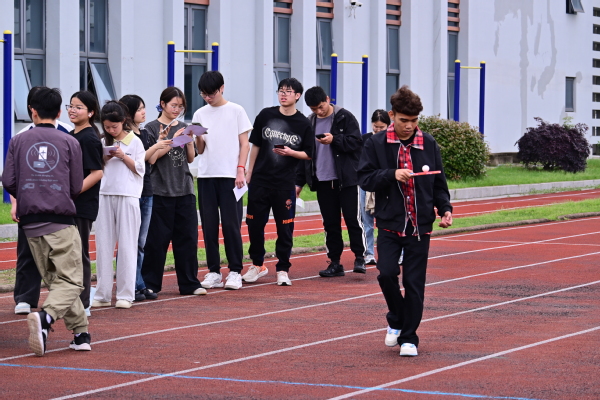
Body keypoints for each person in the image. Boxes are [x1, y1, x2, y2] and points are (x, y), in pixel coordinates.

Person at [358, 86, 453, 357]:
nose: (409, 126)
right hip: (389, 224)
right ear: (392, 116)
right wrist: (391, 174)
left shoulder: (428, 143)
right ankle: (396, 318)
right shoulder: (375, 144)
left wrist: (445, 208)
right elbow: (364, 178)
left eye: (414, 120)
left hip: (420, 227)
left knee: (414, 283)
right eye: (404, 120)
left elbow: (438, 182)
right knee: (387, 274)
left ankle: (409, 337)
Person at [2, 87, 91, 356]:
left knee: (56, 279)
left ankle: (81, 333)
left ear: (33, 111)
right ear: (60, 112)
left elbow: (8, 181)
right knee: (72, 280)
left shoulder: (18, 141)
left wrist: (27, 194)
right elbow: (76, 185)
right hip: (60, 220)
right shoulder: (70, 141)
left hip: (30, 223)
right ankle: (46, 317)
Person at [242, 78, 314, 286]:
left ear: (297, 96)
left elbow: (309, 154)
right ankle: (257, 264)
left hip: (284, 183)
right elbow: (255, 145)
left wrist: (292, 152)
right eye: (281, 91)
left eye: (288, 91)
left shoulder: (303, 123)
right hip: (260, 180)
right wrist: (249, 171)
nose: (283, 94)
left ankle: (283, 268)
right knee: (254, 224)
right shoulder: (266, 115)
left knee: (285, 228)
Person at [12, 86, 73, 315]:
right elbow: (14, 174)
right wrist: (16, 202)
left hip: (60, 206)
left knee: (62, 255)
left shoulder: (68, 134)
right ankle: (25, 297)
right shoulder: (21, 137)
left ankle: (63, 299)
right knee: (27, 251)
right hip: (31, 204)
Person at [141, 87, 207, 296]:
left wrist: (189, 139)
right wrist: (173, 141)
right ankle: (151, 283)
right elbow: (152, 159)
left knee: (187, 240)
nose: (177, 110)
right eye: (173, 105)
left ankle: (190, 283)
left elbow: (190, 158)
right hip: (160, 190)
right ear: (162, 104)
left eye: (180, 106)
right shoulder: (151, 128)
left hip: (185, 190)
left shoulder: (184, 126)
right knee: (156, 241)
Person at [296, 86, 366, 278]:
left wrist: (335, 139)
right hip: (323, 181)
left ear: (328, 99)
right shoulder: (309, 122)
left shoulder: (344, 117)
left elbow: (356, 143)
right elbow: (306, 155)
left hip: (346, 180)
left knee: (353, 220)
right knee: (330, 224)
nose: (319, 111)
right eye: (314, 109)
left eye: (321, 106)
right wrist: (299, 183)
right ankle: (335, 262)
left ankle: (360, 258)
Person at [192, 71, 253, 290]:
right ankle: (214, 271)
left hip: (230, 176)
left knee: (231, 225)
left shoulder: (236, 111)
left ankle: (235, 270)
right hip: (206, 175)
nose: (208, 98)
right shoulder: (199, 113)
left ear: (222, 88)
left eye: (211, 93)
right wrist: (198, 136)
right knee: (209, 226)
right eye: (204, 94)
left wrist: (240, 170)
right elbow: (200, 149)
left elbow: (245, 144)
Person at [92, 101, 146, 309]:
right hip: (105, 194)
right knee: (103, 245)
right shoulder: (102, 141)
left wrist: (123, 156)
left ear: (123, 121)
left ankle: (125, 294)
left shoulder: (135, 142)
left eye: (114, 126)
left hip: (128, 195)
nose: (111, 130)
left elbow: (140, 169)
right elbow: (96, 167)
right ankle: (103, 294)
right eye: (107, 127)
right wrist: (105, 156)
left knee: (127, 246)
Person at [120, 94, 170, 301]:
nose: (144, 112)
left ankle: (138, 283)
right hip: (131, 191)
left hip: (147, 191)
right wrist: (155, 147)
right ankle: (130, 284)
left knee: (141, 242)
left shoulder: (146, 133)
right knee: (128, 241)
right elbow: (139, 160)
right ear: (129, 112)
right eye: (139, 109)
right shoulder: (125, 135)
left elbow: (151, 161)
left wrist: (160, 142)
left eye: (144, 108)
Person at [67, 91, 104, 316]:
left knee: (79, 253)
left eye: (78, 107)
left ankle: (83, 303)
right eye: (71, 106)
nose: (72, 110)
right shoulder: (71, 134)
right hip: (68, 204)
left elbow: (97, 173)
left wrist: (73, 192)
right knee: (68, 254)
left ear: (90, 112)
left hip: (81, 205)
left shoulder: (89, 138)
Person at [360, 110, 391, 265]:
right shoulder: (365, 139)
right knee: (366, 221)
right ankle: (369, 253)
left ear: (388, 125)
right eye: (375, 126)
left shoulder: (392, 140)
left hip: (386, 183)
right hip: (366, 184)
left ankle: (395, 254)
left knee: (388, 220)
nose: (378, 130)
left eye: (381, 127)